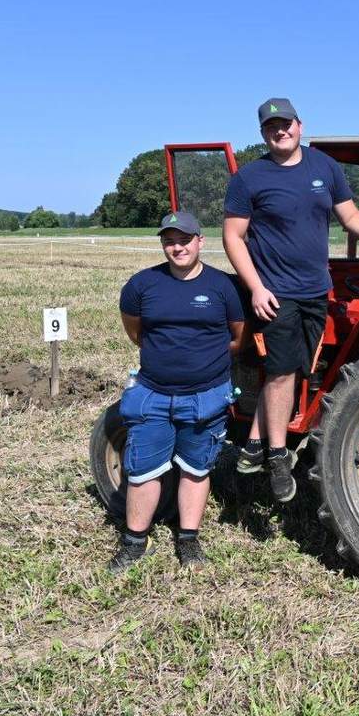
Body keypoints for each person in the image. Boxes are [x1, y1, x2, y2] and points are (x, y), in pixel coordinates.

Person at [222, 97, 359, 502]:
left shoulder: (324, 167)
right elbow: (233, 237)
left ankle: (255, 444)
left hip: (316, 290)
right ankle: (277, 458)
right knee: (279, 373)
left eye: (286, 124)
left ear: (300, 124)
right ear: (263, 133)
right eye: (271, 127)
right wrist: (257, 288)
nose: (281, 131)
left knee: (298, 370)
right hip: (275, 293)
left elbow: (350, 216)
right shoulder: (249, 178)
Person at [110, 210, 245, 572]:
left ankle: (188, 540)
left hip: (205, 396)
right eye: (169, 241)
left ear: (200, 241)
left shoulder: (223, 287)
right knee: (142, 472)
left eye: (184, 239)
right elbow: (135, 331)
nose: (177, 247)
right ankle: (134, 542)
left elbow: (236, 336)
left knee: (195, 469)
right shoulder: (142, 285)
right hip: (153, 394)